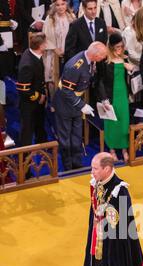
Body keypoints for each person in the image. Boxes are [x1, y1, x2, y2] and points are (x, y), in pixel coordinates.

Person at [63, 153, 143, 266]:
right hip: (96, 241)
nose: (91, 172)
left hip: (113, 248)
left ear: (107, 169)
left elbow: (122, 227)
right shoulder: (97, 183)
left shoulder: (120, 191)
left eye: (95, 168)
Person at [52, 41, 107, 170]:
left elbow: (95, 81)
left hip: (76, 103)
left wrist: (104, 99)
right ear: (95, 54)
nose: (104, 58)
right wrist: (81, 105)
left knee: (77, 135)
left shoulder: (91, 61)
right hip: (65, 104)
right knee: (65, 137)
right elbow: (66, 91)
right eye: (103, 55)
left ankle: (77, 164)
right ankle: (68, 167)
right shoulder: (75, 66)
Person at [98, 33, 133, 162]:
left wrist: (128, 67)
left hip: (123, 93)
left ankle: (124, 148)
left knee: (124, 120)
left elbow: (132, 74)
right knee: (112, 121)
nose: (120, 49)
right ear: (111, 47)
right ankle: (112, 149)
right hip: (110, 95)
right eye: (117, 47)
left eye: (121, 46)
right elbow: (99, 81)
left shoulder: (125, 57)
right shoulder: (104, 59)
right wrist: (104, 98)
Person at [16, 32, 47, 147]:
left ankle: (42, 146)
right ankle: (25, 158)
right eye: (45, 43)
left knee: (39, 124)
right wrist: (39, 97)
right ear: (41, 46)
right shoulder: (27, 64)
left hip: (37, 100)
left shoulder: (32, 53)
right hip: (29, 103)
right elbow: (23, 89)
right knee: (27, 131)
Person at [42, 0, 76, 103]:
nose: (61, 7)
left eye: (63, 4)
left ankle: (67, 101)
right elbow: (45, 37)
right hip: (53, 53)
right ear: (54, 6)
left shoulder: (72, 17)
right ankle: (54, 102)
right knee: (53, 79)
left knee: (68, 78)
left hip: (69, 54)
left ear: (66, 5)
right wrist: (55, 49)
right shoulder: (50, 18)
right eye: (58, 5)